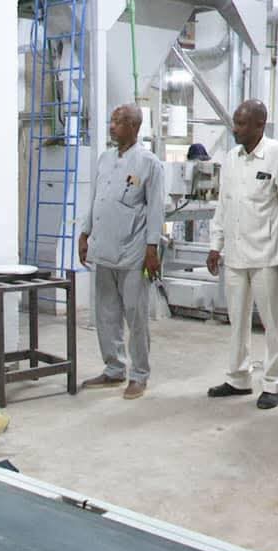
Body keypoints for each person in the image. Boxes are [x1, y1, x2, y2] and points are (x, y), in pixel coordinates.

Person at [205, 99, 278, 409]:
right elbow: (223, 205)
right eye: (235, 122)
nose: (235, 129)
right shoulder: (231, 159)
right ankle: (238, 377)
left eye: (242, 124)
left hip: (266, 255)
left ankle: (273, 382)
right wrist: (215, 245)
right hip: (234, 254)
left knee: (272, 322)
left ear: (260, 125)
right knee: (237, 321)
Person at [77, 104, 165, 400]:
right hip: (103, 248)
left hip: (133, 252)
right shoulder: (104, 159)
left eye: (118, 122)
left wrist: (152, 249)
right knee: (106, 314)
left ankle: (139, 375)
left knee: (135, 315)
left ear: (134, 127)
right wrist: (85, 233)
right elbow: (95, 199)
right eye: (111, 121)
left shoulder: (149, 163)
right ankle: (114, 369)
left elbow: (155, 210)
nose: (112, 126)